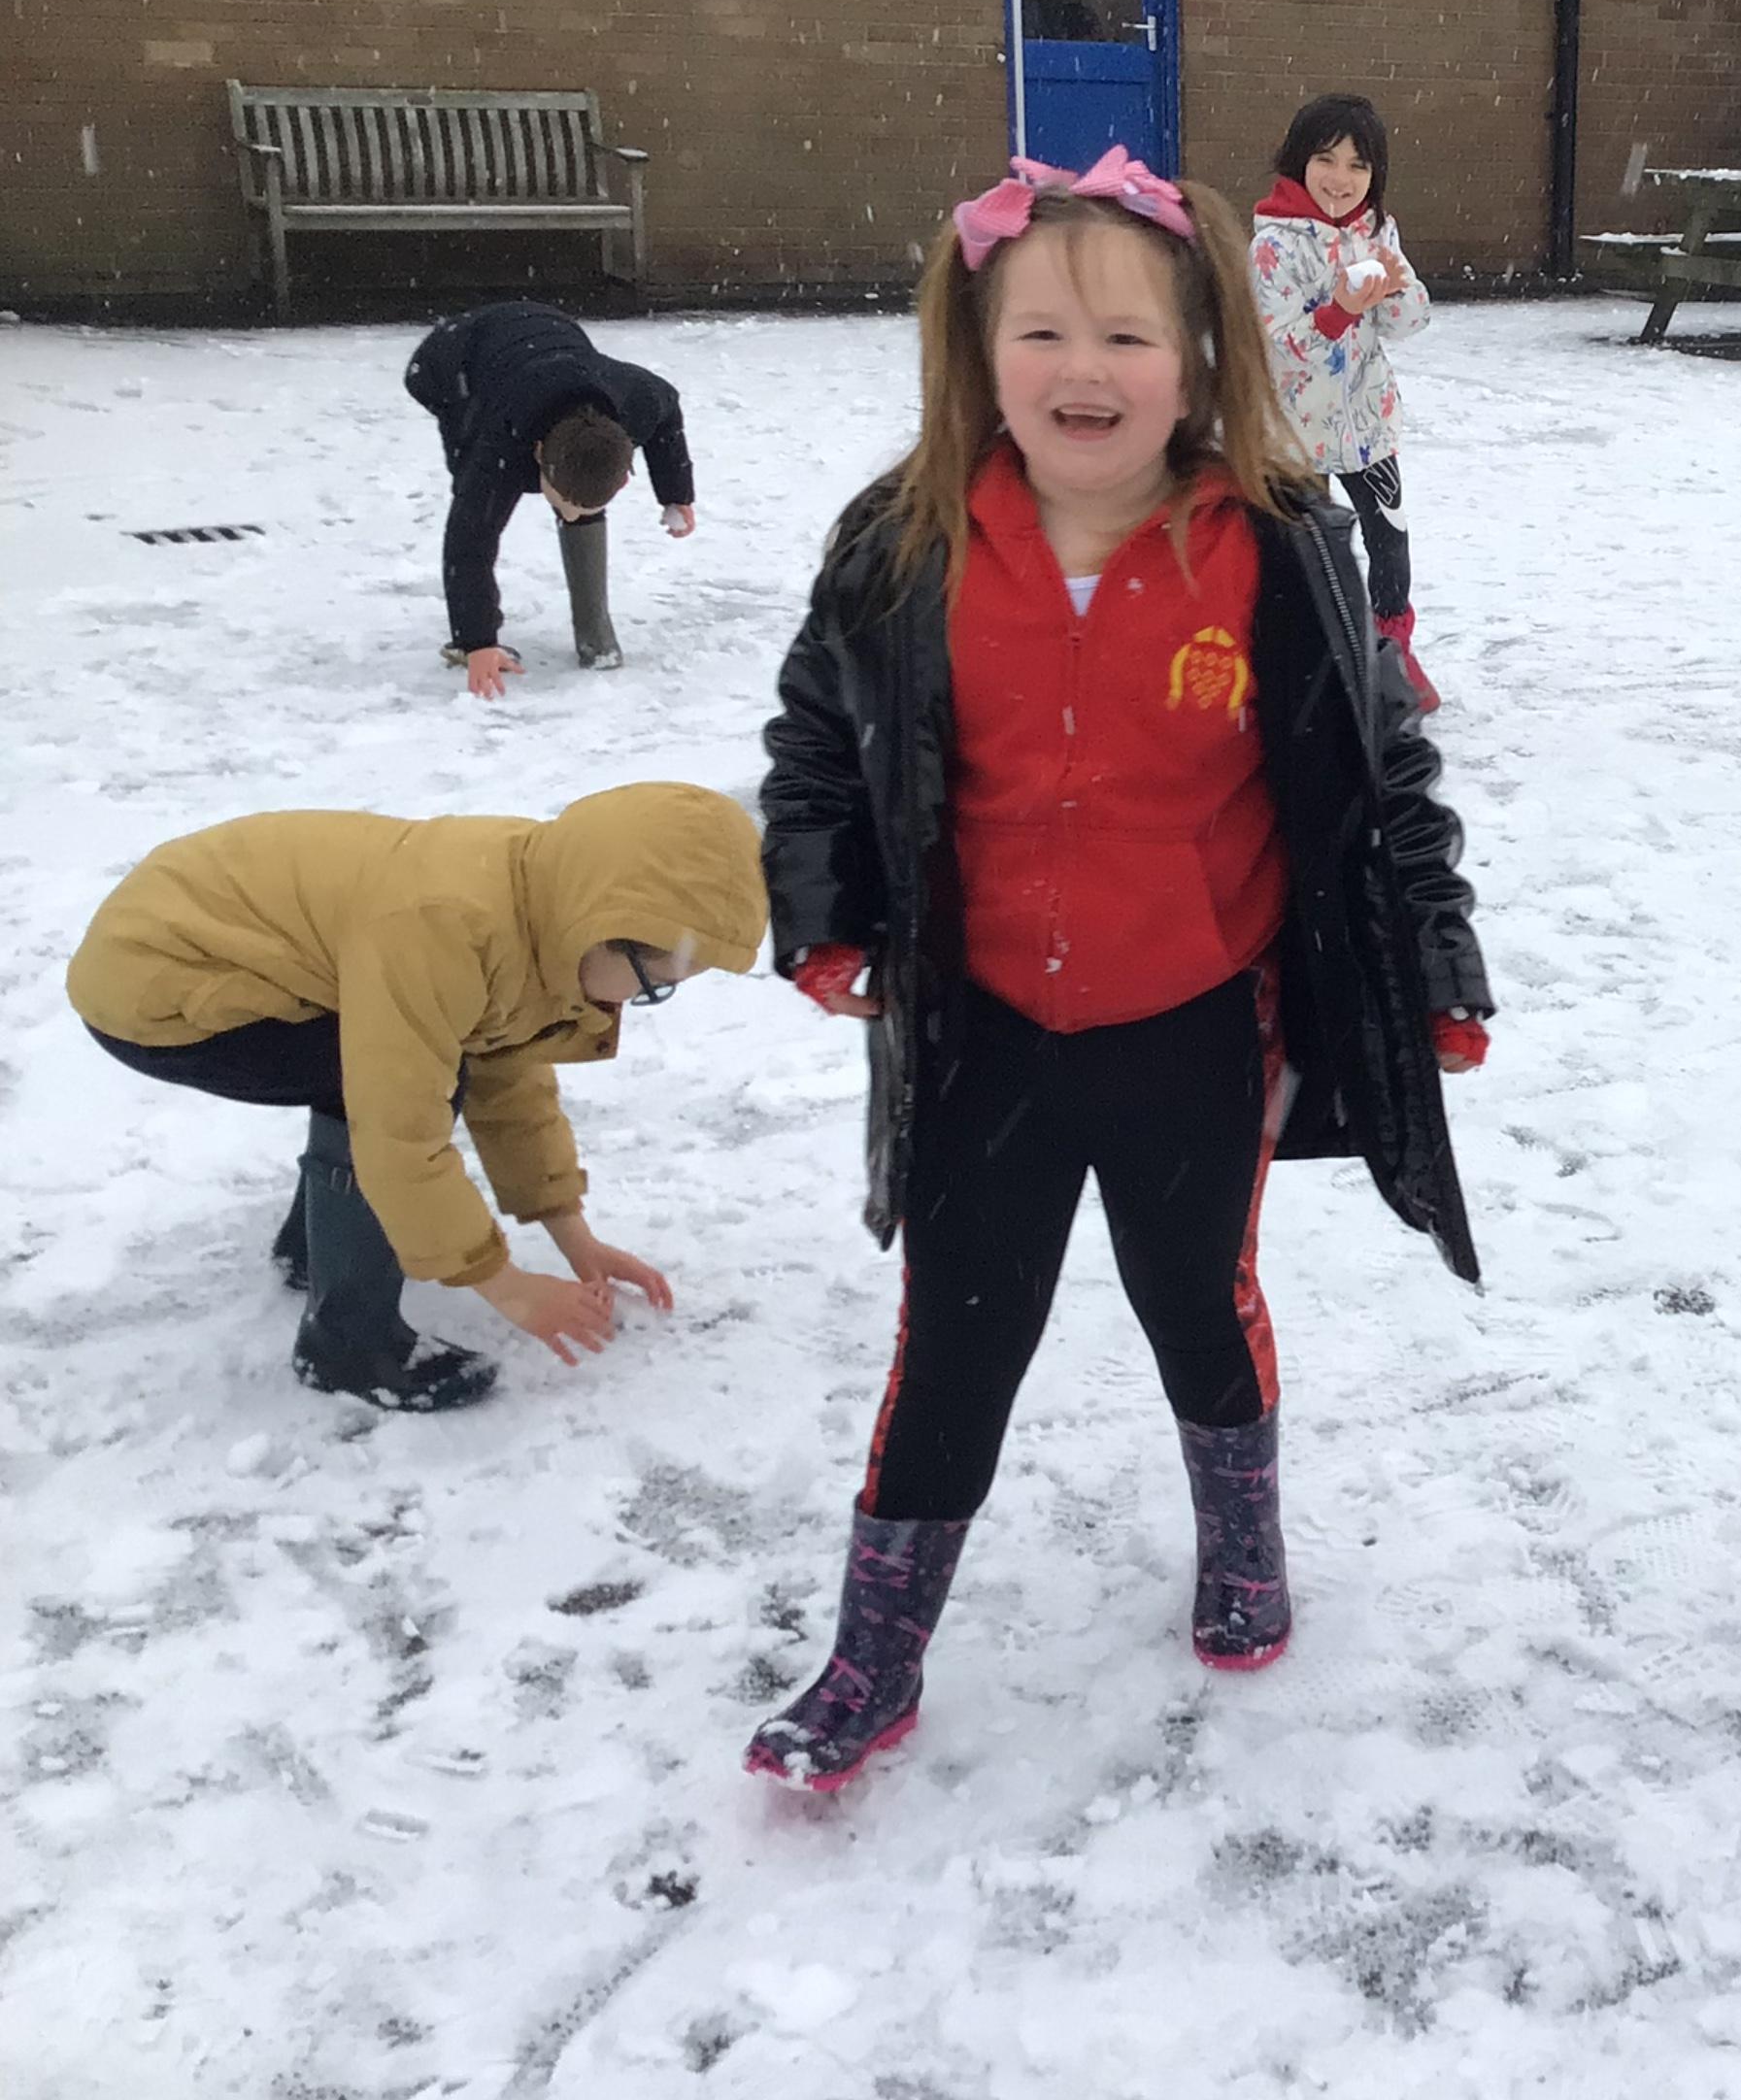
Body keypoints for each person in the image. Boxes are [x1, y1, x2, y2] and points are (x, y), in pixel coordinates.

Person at [748, 147, 1491, 1793]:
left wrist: (1431, 960)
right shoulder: (902, 544)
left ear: (1202, 358)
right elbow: (816, 746)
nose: (1082, 369)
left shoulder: (1277, 547)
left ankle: (1243, 1542)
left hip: (1195, 1025)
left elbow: (1386, 777)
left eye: (1126, 337)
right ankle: (874, 1653)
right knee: (955, 1340)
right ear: (976, 351)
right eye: (1040, 333)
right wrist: (825, 908)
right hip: (981, 1029)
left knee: (1193, 1300)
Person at [66, 783, 766, 1412]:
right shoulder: (446, 927)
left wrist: (571, 1234)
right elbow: (400, 1134)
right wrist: (508, 1287)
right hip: (159, 981)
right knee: (391, 1086)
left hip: (227, 948)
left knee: (406, 1064)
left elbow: (510, 1073)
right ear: (605, 929)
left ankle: (316, 1249)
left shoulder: (541, 904)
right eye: (654, 984)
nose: (643, 1002)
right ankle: (347, 1345)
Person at [402, 301, 704, 697]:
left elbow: (668, 412)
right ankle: (467, 640)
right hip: (452, 361)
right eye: (563, 504)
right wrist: (478, 642)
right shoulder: (498, 445)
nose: (570, 515)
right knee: (478, 504)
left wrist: (675, 494)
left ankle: (594, 634)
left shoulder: (638, 401)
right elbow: (468, 543)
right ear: (539, 453)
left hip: (551, 331)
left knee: (581, 469)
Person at [1250, 93, 1442, 714]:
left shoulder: (1376, 230)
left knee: (1389, 540)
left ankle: (1392, 651)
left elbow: (1410, 322)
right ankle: (1311, 659)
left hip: (1368, 423)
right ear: (1298, 161)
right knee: (1307, 551)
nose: (1341, 178)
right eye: (1326, 159)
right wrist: (1338, 311)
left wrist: (1395, 288)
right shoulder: (1273, 248)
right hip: (1296, 431)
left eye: (1358, 165)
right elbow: (1279, 346)